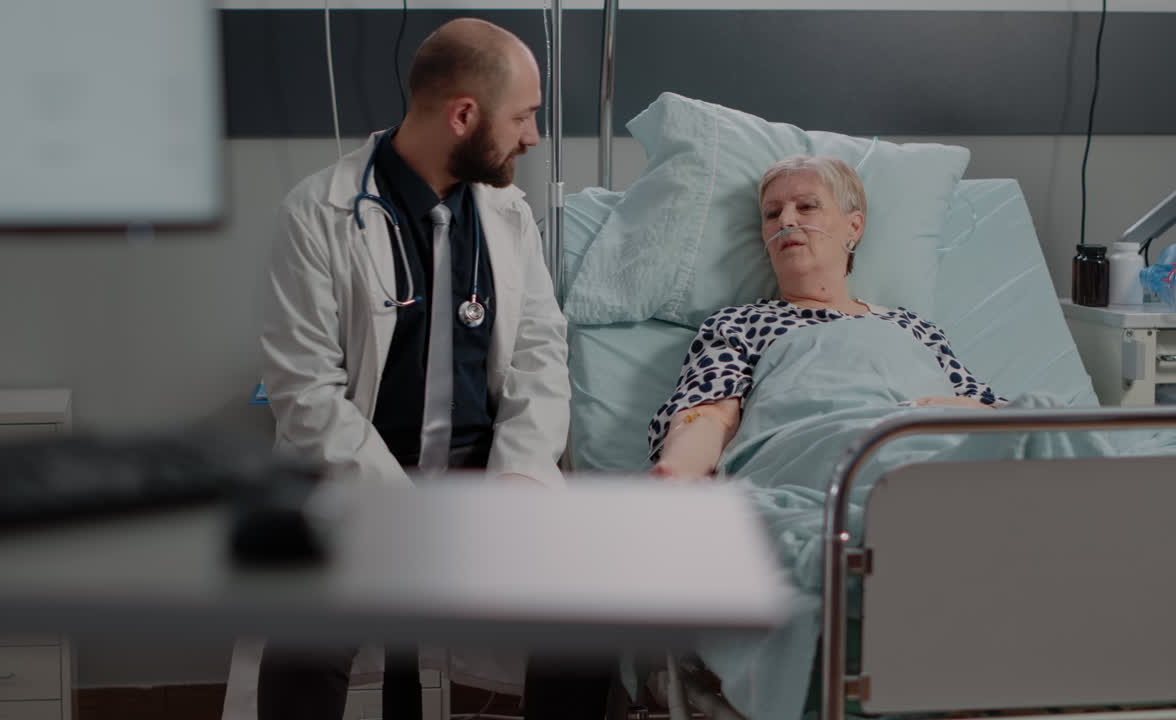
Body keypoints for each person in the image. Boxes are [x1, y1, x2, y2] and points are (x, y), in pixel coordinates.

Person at [229, 17, 612, 720]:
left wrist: (524, 477)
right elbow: (305, 390)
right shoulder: (319, 213)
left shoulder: (507, 215)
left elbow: (540, 354)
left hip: (485, 482)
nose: (533, 137)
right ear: (463, 116)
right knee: (302, 640)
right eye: (523, 117)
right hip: (362, 484)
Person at [648, 154, 1005, 477]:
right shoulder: (739, 324)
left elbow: (995, 414)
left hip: (934, 454)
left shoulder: (915, 329)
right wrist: (676, 475)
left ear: (854, 226)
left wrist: (947, 411)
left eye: (806, 206)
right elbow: (711, 414)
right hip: (813, 462)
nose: (786, 219)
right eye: (772, 214)